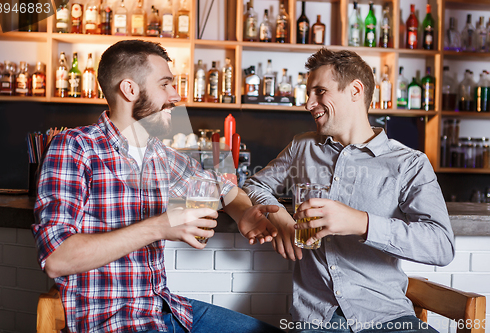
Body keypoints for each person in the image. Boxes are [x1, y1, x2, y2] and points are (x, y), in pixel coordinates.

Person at [32, 40, 283, 333]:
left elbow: (221, 188)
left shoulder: (162, 155)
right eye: (165, 84)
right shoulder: (75, 147)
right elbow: (56, 258)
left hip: (165, 310)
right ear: (129, 89)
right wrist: (160, 227)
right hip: (112, 322)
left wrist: (243, 215)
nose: (176, 95)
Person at [243, 48, 455, 333]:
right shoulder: (303, 147)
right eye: (309, 93)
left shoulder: (408, 163)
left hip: (389, 319)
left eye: (319, 91)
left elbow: (441, 245)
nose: (308, 103)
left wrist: (359, 222)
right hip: (316, 321)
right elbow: (254, 185)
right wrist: (280, 217)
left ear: (355, 90)